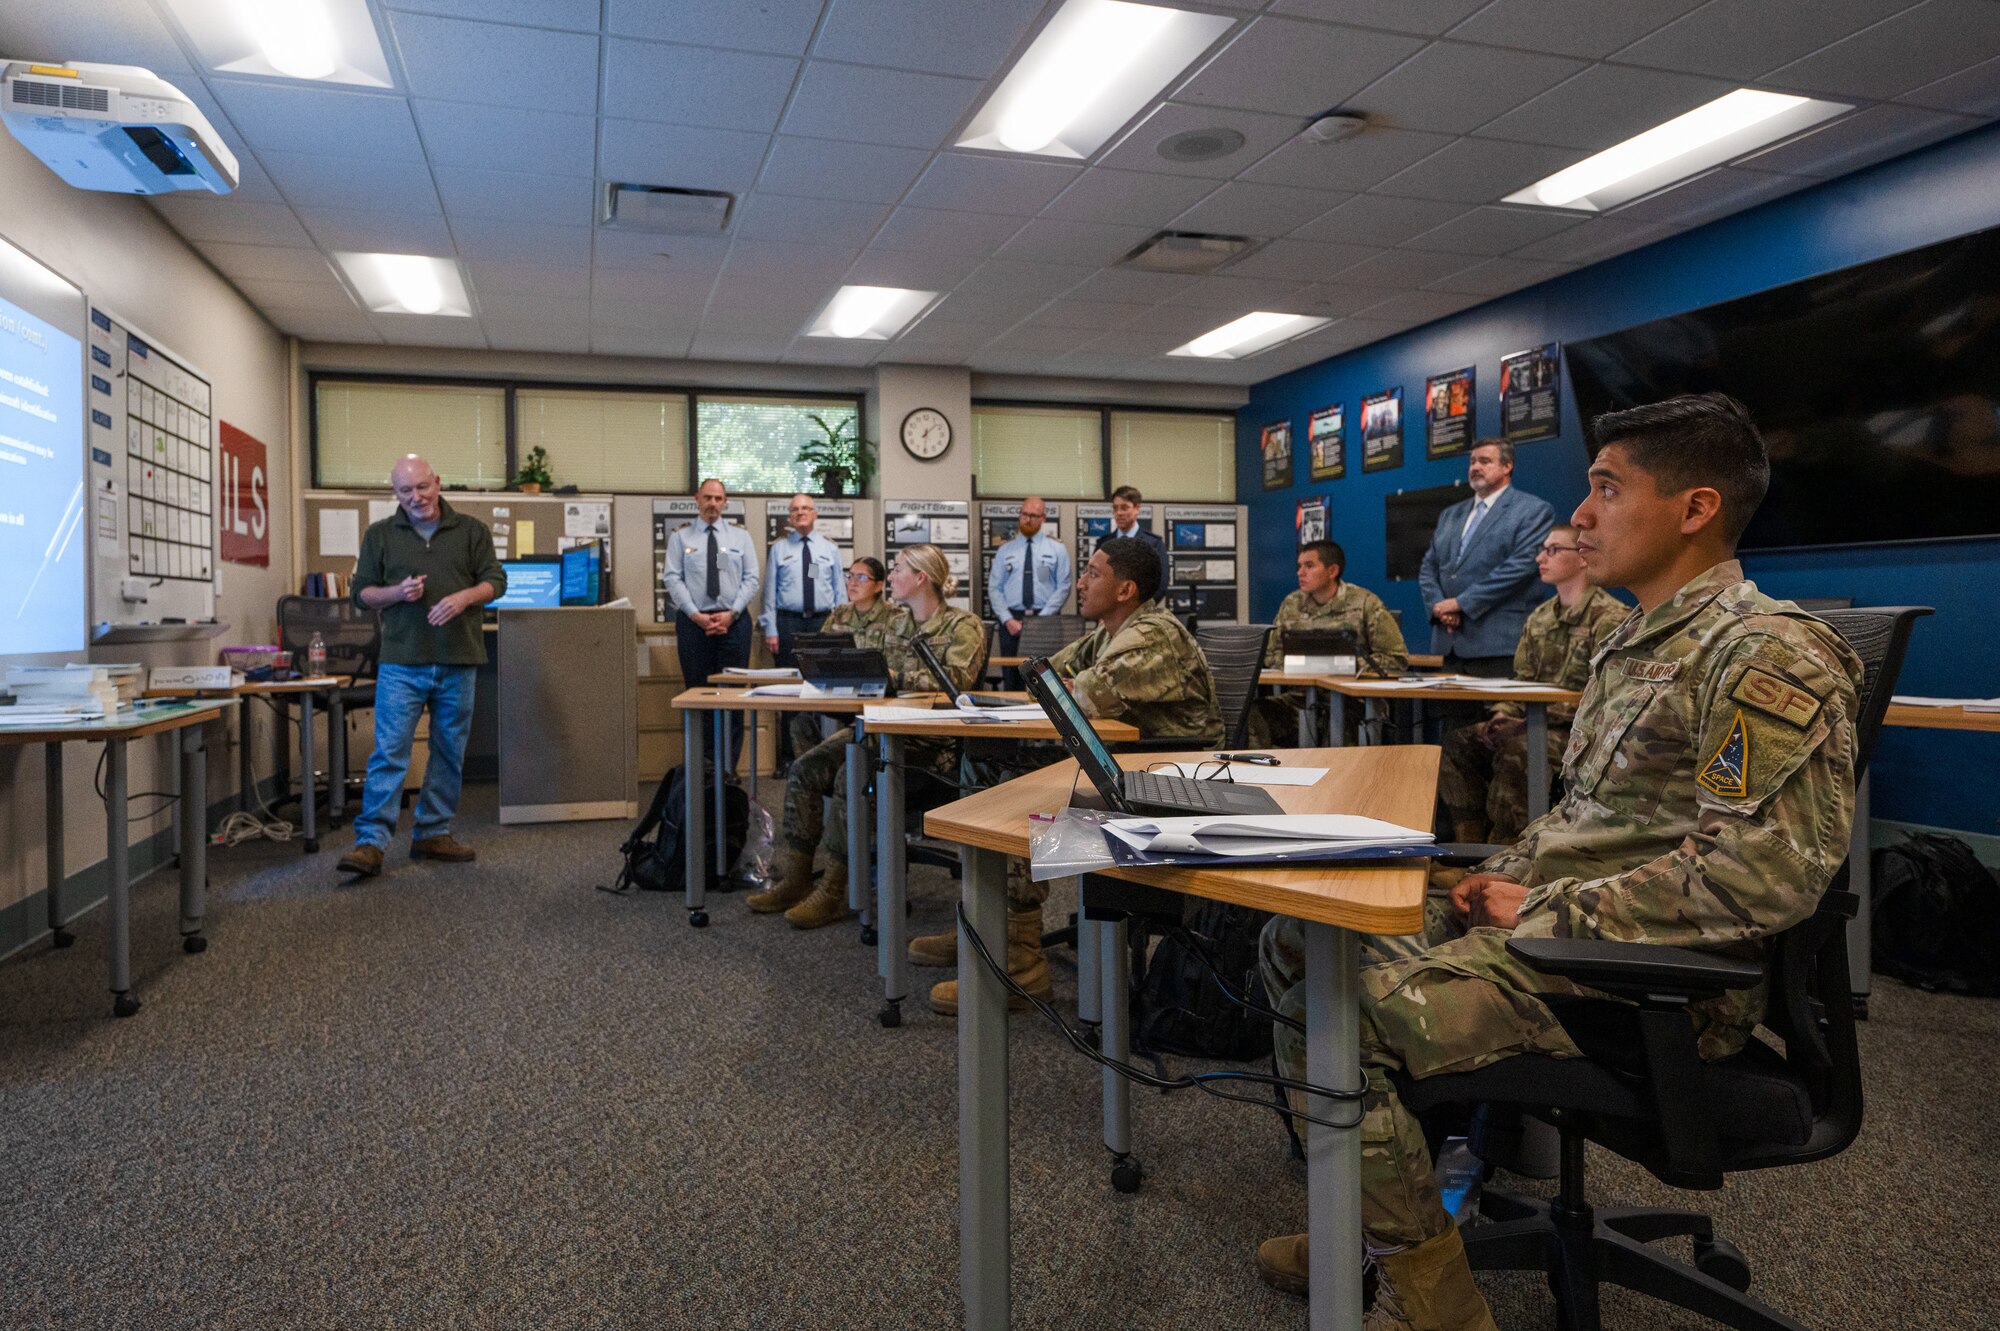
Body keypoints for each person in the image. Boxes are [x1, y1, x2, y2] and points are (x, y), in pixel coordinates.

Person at [1253, 393, 1862, 1328]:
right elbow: (1591, 821)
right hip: (1560, 935)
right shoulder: (1635, 639)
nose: (1578, 516)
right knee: (1298, 940)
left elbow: (1761, 874)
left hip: (1650, 980)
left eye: (1607, 490)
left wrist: (1539, 913)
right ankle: (1366, 1218)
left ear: (1695, 509)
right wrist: (1485, 877)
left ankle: (1436, 1297)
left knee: (1346, 1009)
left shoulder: (1763, 650)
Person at [920, 536, 1224, 1016]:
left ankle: (1019, 956)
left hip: (1167, 778)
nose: (1080, 582)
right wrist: (1064, 684)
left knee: (1010, 788)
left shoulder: (1152, 633)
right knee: (987, 761)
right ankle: (990, 925)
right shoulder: (1110, 632)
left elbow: (1081, 696)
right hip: (1123, 763)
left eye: (1093, 574)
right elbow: (1046, 675)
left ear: (1125, 590)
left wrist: (1066, 685)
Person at [755, 545, 985, 930]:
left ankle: (834, 888)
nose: (891, 577)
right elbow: (871, 669)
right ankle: (795, 878)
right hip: (881, 730)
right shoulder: (896, 625)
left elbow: (956, 682)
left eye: (897, 570)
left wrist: (896, 679)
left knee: (852, 770)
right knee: (804, 768)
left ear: (920, 579)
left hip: (931, 747)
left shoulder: (962, 625)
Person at [336, 455, 504, 878]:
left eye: (423, 487)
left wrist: (464, 597)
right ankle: (371, 843)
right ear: (395, 494)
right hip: (402, 663)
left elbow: (496, 581)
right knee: (390, 752)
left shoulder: (472, 531)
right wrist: (397, 592)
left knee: (448, 751)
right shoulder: (380, 535)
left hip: (458, 658)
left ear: (438, 483)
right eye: (405, 491)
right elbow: (362, 595)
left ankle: (432, 831)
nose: (416, 498)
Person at [1437, 522, 1628, 844]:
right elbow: (1522, 681)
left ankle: (1506, 852)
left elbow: (1608, 699)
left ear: (1582, 557)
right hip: (1529, 722)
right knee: (1458, 743)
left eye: (1553, 550)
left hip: (1582, 732)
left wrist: (1524, 724)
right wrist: (1501, 715)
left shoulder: (1609, 618)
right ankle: (1467, 845)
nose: (1541, 557)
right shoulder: (1540, 618)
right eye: (1541, 550)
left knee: (1518, 750)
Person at [745, 557, 911, 916]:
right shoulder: (837, 616)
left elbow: (896, 674)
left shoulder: (898, 618)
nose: (852, 582)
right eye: (849, 576)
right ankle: (797, 877)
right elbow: (820, 660)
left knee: (844, 775)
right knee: (803, 759)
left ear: (880, 584)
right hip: (842, 705)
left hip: (884, 716)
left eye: (861, 577)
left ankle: (835, 886)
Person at [1252, 539, 1408, 747]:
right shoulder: (1292, 604)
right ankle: (1259, 777)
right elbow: (1271, 653)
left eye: (1309, 566)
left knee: (1338, 722)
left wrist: (1342, 665)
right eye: (1299, 566)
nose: (1300, 573)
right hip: (1302, 699)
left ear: (1332, 570)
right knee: (1252, 713)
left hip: (1353, 702)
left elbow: (1396, 658)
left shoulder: (1364, 603)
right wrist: (1304, 666)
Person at [1418, 439, 1554, 675]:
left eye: (1485, 461)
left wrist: (1461, 604)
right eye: (1472, 461)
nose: (1475, 467)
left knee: (1496, 713)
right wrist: (1440, 607)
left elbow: (1520, 567)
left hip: (1498, 645)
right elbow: (1429, 567)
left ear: (1507, 466)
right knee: (1445, 713)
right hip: (1447, 643)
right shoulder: (1450, 515)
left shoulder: (1532, 510)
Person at [661, 478, 760, 766]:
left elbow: (751, 578)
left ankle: (728, 770)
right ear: (697, 499)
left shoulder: (741, 538)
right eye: (708, 498)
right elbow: (672, 578)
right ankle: (702, 769)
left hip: (735, 623)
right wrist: (696, 615)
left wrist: (732, 613)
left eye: (718, 499)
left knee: (734, 699)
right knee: (699, 695)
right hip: (694, 625)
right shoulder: (681, 537)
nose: (713, 504)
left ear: (726, 502)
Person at [760, 493, 845, 770]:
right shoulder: (779, 549)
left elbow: (839, 591)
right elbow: (769, 593)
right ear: (790, 516)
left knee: (825, 689)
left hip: (823, 623)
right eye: (795, 509)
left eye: (806, 508)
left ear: (815, 513)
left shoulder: (829, 549)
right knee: (790, 692)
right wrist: (771, 629)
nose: (800, 513)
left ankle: (822, 755)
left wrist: (842, 628)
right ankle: (789, 757)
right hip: (789, 624)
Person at [987, 495, 1073, 685]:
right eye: (1024, 514)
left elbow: (1064, 585)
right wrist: (1007, 619)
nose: (1027, 519)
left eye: (1033, 515)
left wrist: (1041, 619)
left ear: (1043, 518)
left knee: (1045, 680)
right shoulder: (1005, 551)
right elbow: (994, 588)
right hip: (1012, 622)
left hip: (1046, 620)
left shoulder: (1056, 549)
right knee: (1012, 678)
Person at [1095, 484, 1167, 588]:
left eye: (1124, 508)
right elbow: (1094, 577)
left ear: (1137, 508)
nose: (1119, 513)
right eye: (1115, 508)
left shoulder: (1153, 543)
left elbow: (1161, 583)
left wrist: (1140, 605)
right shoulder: (1103, 543)